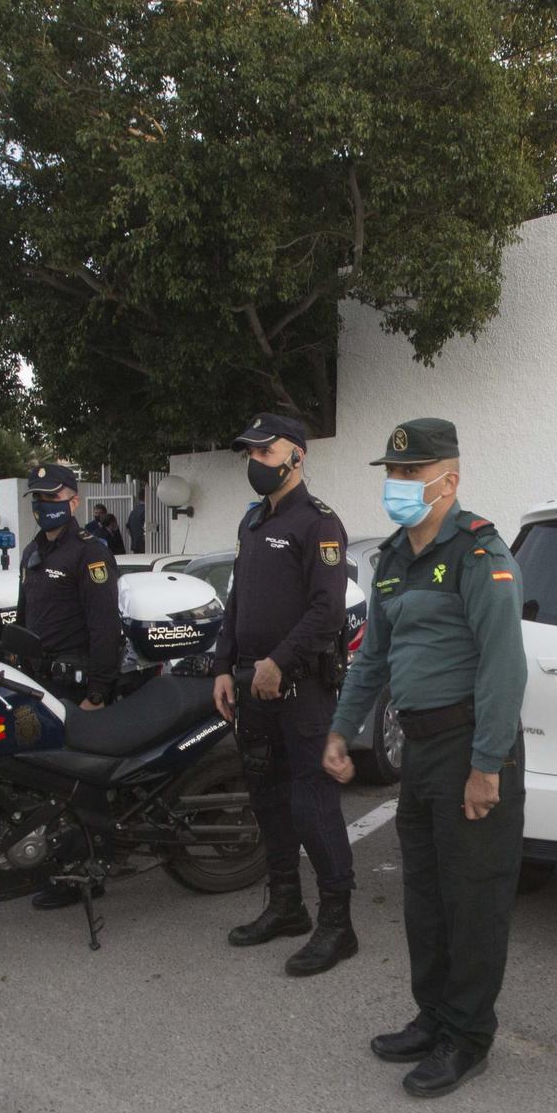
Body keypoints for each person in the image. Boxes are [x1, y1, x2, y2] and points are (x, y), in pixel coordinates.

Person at [325, 418, 526, 1097]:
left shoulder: (478, 553)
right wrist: (340, 729)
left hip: (470, 744)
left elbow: (504, 665)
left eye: (412, 473)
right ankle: (433, 1016)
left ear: (451, 479)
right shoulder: (391, 562)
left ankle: (468, 1036)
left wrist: (487, 764)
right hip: (420, 747)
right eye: (394, 473)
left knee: (473, 899)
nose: (399, 485)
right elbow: (373, 657)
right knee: (427, 897)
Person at [210, 413, 357, 976]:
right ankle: (287, 906)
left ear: (296, 457)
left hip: (302, 689)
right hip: (253, 686)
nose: (255, 464)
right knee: (267, 800)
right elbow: (237, 604)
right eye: (250, 453)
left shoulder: (318, 524)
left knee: (312, 804)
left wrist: (278, 661)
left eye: (264, 453)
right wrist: (225, 666)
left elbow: (327, 613)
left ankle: (338, 926)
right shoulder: (252, 523)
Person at [16, 465, 123, 908]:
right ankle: (57, 862)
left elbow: (105, 628)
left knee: (83, 782)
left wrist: (97, 692)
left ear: (74, 501)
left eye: (53, 497)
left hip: (76, 683)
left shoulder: (90, 553)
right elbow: (23, 617)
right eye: (39, 498)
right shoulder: (32, 553)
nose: (45, 506)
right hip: (37, 682)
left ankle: (92, 869)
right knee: (45, 782)